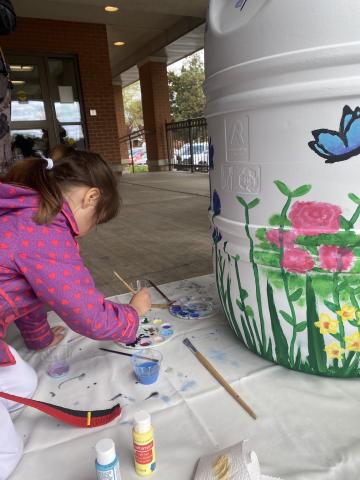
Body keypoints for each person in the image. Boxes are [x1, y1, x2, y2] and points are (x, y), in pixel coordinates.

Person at [0, 150, 151, 479]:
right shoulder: (44, 228)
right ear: (91, 196)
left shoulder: (28, 211)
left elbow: (26, 289)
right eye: (96, 219)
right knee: (6, 456)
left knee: (24, 384)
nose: (87, 230)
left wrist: (39, 338)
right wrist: (133, 315)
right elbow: (88, 316)